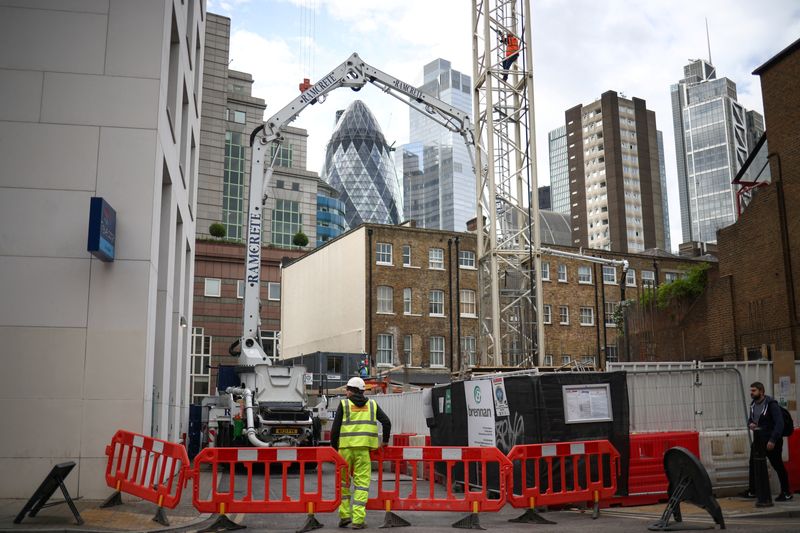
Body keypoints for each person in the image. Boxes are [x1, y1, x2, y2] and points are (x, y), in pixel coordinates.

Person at [331, 376, 391, 529]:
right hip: (363, 451)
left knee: (343, 483)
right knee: (362, 485)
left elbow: (335, 430)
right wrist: (384, 441)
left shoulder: (344, 405)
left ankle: (344, 516)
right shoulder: (372, 404)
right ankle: (358, 520)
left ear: (352, 391)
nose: (346, 392)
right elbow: (386, 422)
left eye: (348, 389)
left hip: (344, 451)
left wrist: (334, 449)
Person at [741, 381, 792, 501]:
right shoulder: (753, 405)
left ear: (761, 391)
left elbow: (779, 423)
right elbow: (750, 420)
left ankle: (786, 492)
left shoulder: (771, 404)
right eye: (751, 390)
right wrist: (751, 424)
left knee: (777, 465)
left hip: (771, 441)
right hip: (758, 440)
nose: (751, 393)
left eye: (754, 391)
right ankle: (753, 491)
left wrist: (773, 440)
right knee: (753, 464)